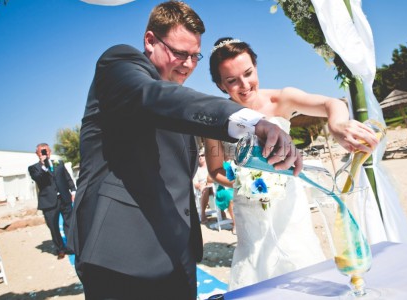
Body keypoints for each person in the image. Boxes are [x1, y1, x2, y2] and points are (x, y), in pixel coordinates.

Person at [67, 2, 302, 299]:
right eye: (180, 53)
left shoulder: (178, 104)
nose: (189, 64)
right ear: (150, 41)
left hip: (177, 254)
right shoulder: (119, 64)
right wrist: (251, 121)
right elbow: (153, 97)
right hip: (121, 255)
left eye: (195, 56)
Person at [205, 37, 379, 290]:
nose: (244, 85)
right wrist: (244, 183)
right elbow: (214, 170)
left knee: (299, 260)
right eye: (232, 80)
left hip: (290, 204)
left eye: (248, 73)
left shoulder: (282, 99)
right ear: (221, 85)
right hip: (249, 210)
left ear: (255, 66)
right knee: (254, 270)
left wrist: (338, 125)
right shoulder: (216, 118)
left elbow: (332, 104)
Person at [28, 143, 76, 260]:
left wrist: (73, 191)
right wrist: (43, 164)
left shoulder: (59, 163)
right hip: (48, 202)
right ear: (37, 154)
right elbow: (38, 177)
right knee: (53, 227)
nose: (45, 154)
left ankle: (71, 247)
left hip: (64, 198)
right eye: (42, 152)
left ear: (50, 151)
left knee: (69, 223)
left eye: (47, 151)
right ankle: (60, 249)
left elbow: (67, 177)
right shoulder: (34, 168)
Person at [193, 150, 215, 223]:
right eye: (198, 156)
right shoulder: (196, 170)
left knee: (220, 188)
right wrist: (203, 185)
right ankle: (203, 214)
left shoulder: (211, 167)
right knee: (206, 189)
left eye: (202, 155)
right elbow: (196, 184)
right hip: (203, 188)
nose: (200, 157)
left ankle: (222, 212)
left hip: (214, 185)